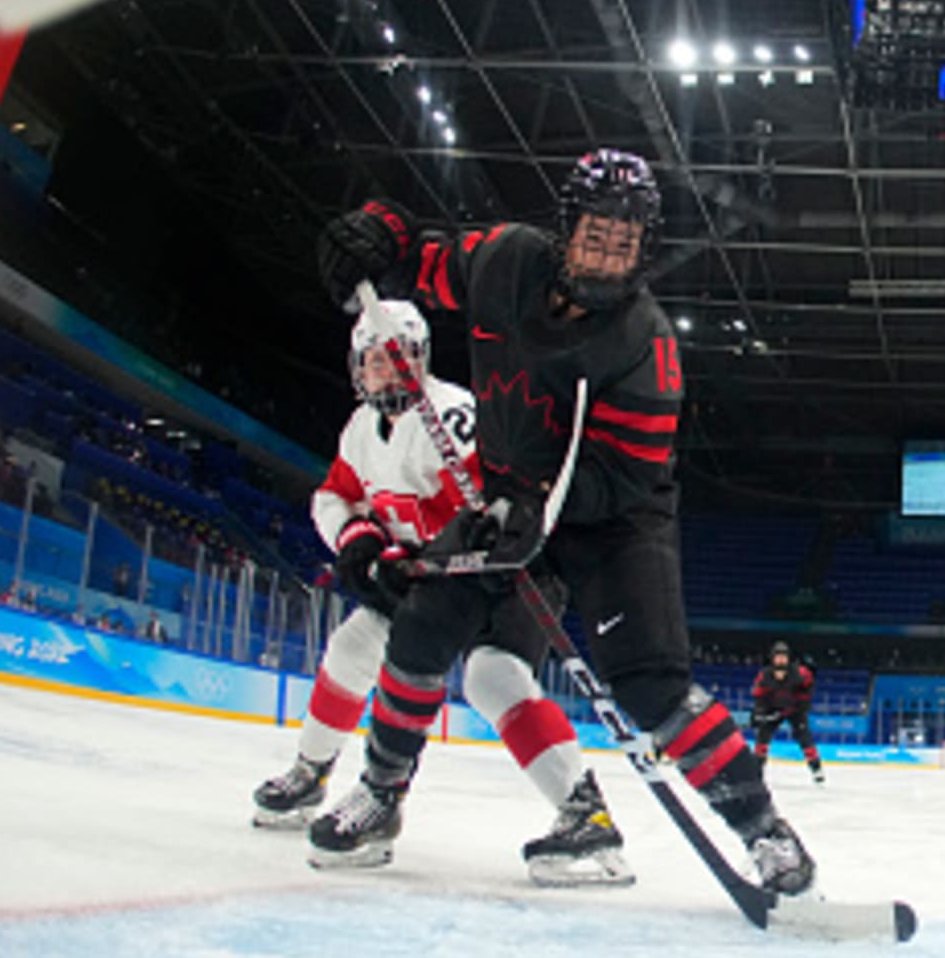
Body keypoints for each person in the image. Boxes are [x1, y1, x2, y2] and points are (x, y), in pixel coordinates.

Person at [309, 149, 816, 896]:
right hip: (504, 501)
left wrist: (538, 512)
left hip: (613, 520)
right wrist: (374, 231)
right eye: (597, 233)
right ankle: (381, 795)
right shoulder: (504, 259)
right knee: (420, 627)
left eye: (626, 240)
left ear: (643, 249)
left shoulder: (647, 342)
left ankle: (767, 834)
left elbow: (625, 473)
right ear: (567, 228)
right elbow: (421, 257)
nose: (609, 252)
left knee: (653, 690)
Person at [250, 300, 634, 886]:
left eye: (398, 358)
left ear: (421, 359)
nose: (387, 370)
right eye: (375, 361)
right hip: (421, 577)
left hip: (504, 572)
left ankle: (587, 816)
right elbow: (335, 497)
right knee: (355, 645)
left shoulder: (455, 415)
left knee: (493, 678)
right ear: (358, 367)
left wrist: (426, 554)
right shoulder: (360, 430)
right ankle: (312, 772)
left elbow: (497, 508)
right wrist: (358, 541)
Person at [751, 641, 825, 785]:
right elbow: (758, 695)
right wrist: (759, 712)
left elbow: (809, 685)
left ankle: (816, 769)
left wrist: (802, 704)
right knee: (762, 737)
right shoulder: (765, 675)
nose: (781, 660)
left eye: (783, 656)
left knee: (804, 737)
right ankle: (757, 772)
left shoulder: (799, 673)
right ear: (772, 658)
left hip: (795, 709)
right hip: (772, 709)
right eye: (778, 657)